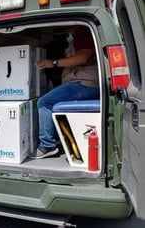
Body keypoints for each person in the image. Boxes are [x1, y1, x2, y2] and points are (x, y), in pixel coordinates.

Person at [29, 26, 99, 159]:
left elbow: (83, 58)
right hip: (85, 83)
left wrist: (53, 63)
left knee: (44, 102)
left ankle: (47, 146)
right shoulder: (79, 38)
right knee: (52, 100)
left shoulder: (83, 36)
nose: (66, 30)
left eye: (67, 27)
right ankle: (56, 138)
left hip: (83, 83)